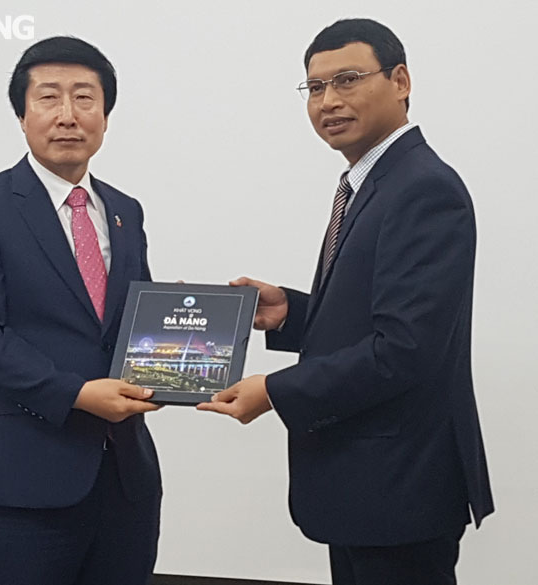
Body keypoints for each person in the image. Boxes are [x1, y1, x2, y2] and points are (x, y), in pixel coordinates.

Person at [198, 18, 494, 585]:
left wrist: (274, 391)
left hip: (399, 487)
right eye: (314, 88)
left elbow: (404, 350)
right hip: (368, 485)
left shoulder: (423, 188)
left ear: (401, 80)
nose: (328, 101)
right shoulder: (374, 183)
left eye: (348, 80)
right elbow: (378, 317)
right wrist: (293, 312)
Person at [0, 36, 162, 585]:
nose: (68, 115)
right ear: (22, 115)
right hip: (24, 478)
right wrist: (77, 395)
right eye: (49, 98)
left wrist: (176, 323)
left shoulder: (124, 211)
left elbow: (131, 327)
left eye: (85, 98)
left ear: (105, 116)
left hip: (125, 480)